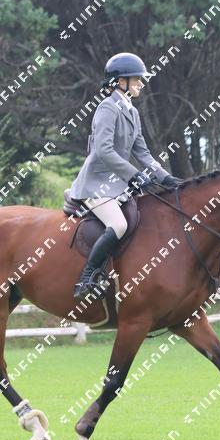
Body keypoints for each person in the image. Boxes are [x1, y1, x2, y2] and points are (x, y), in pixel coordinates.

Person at [69, 52, 183, 299]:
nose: (141, 83)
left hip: (118, 185)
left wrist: (165, 178)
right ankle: (86, 278)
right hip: (96, 184)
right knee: (118, 225)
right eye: (136, 79)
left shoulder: (132, 112)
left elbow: (143, 153)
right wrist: (134, 175)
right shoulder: (107, 108)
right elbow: (104, 150)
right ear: (121, 82)